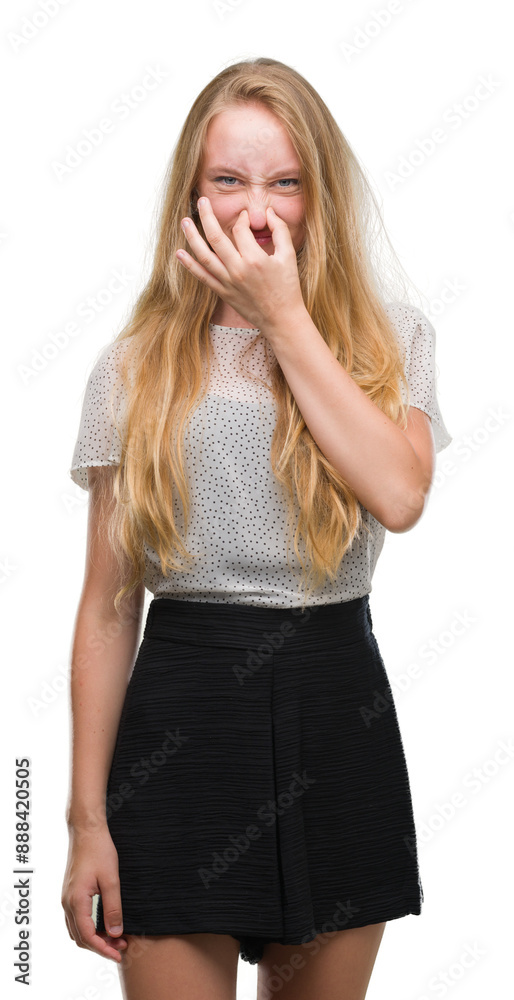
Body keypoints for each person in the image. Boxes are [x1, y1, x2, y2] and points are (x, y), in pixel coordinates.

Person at [61, 56, 453, 1000]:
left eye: (284, 180)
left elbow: (399, 496)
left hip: (334, 713)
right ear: (190, 198)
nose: (254, 208)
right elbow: (109, 609)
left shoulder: (387, 342)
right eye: (227, 180)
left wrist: (284, 320)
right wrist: (83, 825)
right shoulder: (136, 367)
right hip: (180, 730)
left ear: (319, 197)